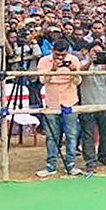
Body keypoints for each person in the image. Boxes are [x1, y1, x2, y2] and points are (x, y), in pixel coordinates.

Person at [36, 39, 83, 177]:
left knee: (72, 135)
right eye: (57, 55)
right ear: (52, 51)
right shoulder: (44, 61)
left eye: (63, 55)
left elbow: (78, 82)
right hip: (52, 101)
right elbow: (42, 81)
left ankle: (71, 165)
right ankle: (51, 166)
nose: (60, 58)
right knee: (51, 136)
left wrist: (74, 71)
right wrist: (53, 70)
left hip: (70, 100)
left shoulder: (73, 59)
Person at [78, 42, 106, 173]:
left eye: (99, 52)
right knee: (88, 135)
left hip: (104, 104)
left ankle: (104, 156)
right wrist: (90, 62)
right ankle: (90, 161)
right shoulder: (82, 62)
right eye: (94, 51)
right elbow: (79, 73)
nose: (96, 54)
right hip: (87, 104)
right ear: (88, 52)